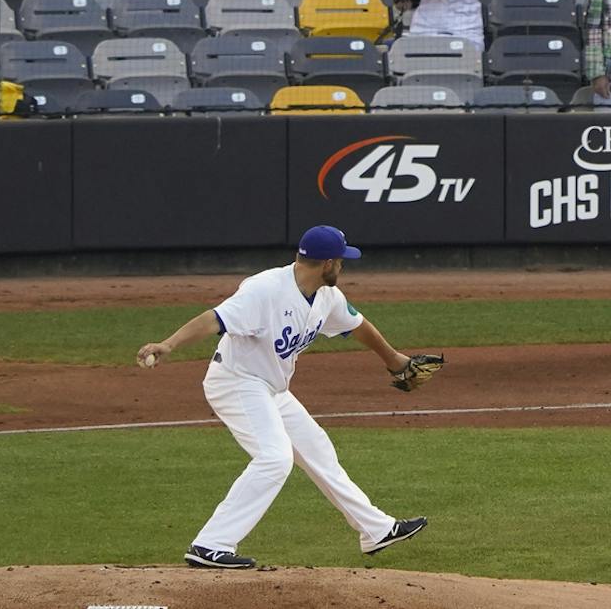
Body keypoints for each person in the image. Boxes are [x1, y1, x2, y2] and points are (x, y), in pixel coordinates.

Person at [135, 225, 430, 570]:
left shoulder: (326, 296)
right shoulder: (265, 290)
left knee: (317, 450)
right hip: (237, 382)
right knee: (275, 458)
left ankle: (375, 529)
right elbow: (214, 319)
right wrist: (168, 344)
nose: (344, 267)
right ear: (327, 263)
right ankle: (210, 544)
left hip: (272, 389)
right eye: (341, 261)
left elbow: (358, 325)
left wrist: (393, 360)